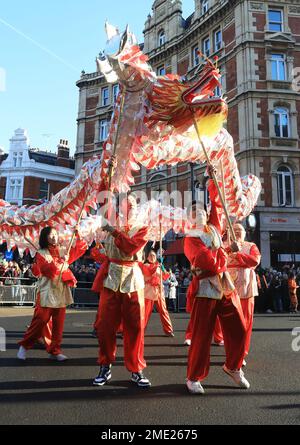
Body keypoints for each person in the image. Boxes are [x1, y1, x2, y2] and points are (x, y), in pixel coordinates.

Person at [183, 173, 249, 395]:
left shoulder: (213, 227)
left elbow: (217, 203)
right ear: (189, 219)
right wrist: (227, 251)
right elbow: (207, 263)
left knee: (239, 328)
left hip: (225, 285)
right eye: (194, 212)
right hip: (206, 289)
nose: (199, 212)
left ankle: (233, 366)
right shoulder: (190, 238)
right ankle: (193, 377)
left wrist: (213, 180)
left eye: (201, 210)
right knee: (202, 336)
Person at [92, 193, 151, 388]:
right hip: (111, 278)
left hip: (133, 279)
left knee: (135, 327)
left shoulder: (142, 228)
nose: (130, 206)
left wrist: (114, 232)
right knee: (105, 326)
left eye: (133, 203)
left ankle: (136, 368)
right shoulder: (109, 225)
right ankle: (105, 365)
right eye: (126, 203)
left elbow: (130, 248)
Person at [17, 226, 87, 361]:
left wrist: (78, 235)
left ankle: (55, 350)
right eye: (51, 235)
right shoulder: (41, 253)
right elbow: (47, 271)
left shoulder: (62, 250)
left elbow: (80, 249)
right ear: (45, 237)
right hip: (46, 290)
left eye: (56, 234)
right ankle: (25, 345)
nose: (54, 237)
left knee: (58, 323)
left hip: (61, 290)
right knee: (40, 320)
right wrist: (61, 261)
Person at [225, 223, 261, 365]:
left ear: (245, 233)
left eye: (240, 230)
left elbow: (255, 261)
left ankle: (241, 353)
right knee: (229, 325)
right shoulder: (223, 246)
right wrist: (229, 251)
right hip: (229, 288)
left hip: (247, 289)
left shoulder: (251, 246)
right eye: (234, 230)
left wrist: (238, 256)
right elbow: (219, 261)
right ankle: (230, 352)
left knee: (245, 324)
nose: (237, 232)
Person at [140, 251, 174, 336]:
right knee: (145, 312)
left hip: (159, 291)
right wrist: (157, 266)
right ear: (147, 258)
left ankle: (168, 330)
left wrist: (167, 272)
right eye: (150, 255)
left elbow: (164, 277)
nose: (152, 257)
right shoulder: (145, 266)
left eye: (154, 255)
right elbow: (149, 272)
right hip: (148, 292)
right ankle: (141, 330)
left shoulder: (158, 266)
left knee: (163, 310)